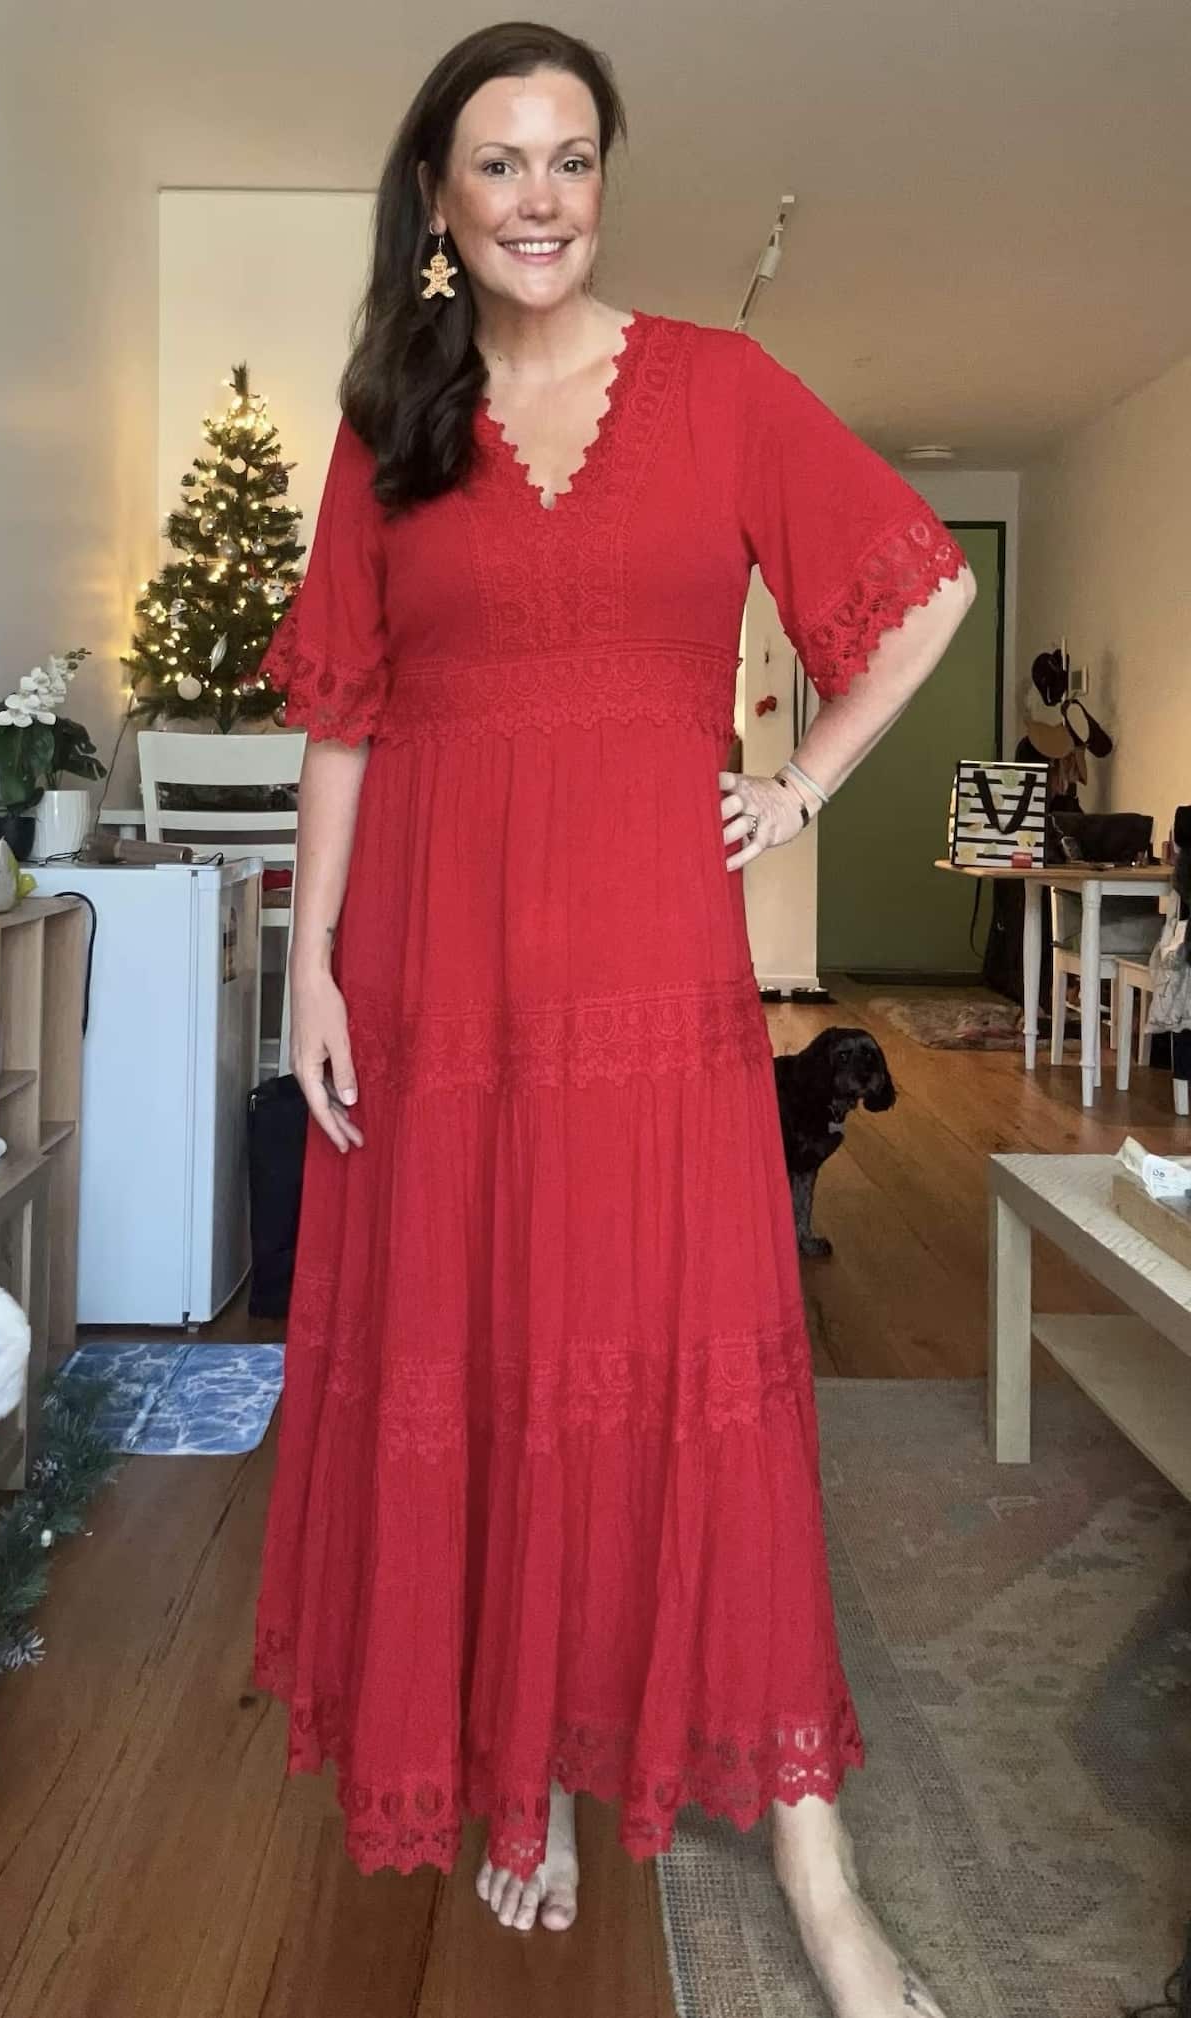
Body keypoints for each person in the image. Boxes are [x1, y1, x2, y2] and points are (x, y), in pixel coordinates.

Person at [253, 22, 975, 2014]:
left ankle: (821, 1882)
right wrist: (312, 959)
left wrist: (806, 778)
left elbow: (920, 599)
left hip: (648, 981)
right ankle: (526, 1773)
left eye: (573, 157)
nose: (544, 196)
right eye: (502, 163)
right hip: (437, 974)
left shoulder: (724, 394)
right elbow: (340, 709)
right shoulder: (387, 422)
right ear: (439, 199)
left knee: (678, 1378)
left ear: (602, 180)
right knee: (483, 1348)